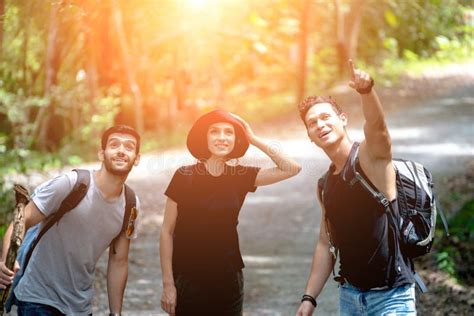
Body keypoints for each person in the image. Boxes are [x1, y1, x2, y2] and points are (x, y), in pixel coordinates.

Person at [295, 61, 416, 316]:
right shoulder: (324, 185)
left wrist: (366, 92)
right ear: (309, 135)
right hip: (350, 298)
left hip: (391, 297)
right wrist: (309, 298)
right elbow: (325, 243)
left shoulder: (370, 159)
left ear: (342, 119)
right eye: (312, 123)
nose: (320, 125)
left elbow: (378, 129)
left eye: (325, 117)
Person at [160, 109, 301, 315]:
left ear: (236, 140)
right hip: (188, 280)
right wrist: (168, 285)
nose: (222, 138)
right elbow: (166, 231)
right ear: (204, 137)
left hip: (228, 279)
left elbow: (292, 168)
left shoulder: (240, 176)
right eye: (214, 132)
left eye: (229, 132)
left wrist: (253, 139)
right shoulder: (184, 176)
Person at [0, 125, 141, 315]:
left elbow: (119, 260)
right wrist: (6, 260)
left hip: (80, 306)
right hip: (38, 298)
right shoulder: (71, 183)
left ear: (137, 158)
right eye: (114, 144)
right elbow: (23, 218)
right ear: (102, 154)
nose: (121, 151)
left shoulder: (131, 205)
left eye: (129, 147)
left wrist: (116, 313)